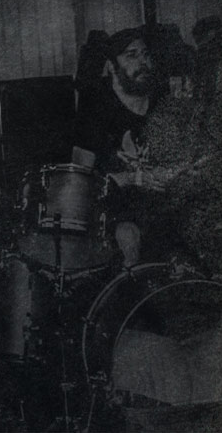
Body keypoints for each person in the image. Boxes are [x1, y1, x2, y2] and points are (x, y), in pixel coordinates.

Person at [71, 26, 171, 266]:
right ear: (111, 66)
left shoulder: (163, 102)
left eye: (145, 54)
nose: (142, 62)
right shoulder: (95, 110)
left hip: (162, 205)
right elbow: (79, 179)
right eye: (131, 55)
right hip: (114, 208)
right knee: (128, 235)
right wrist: (133, 178)